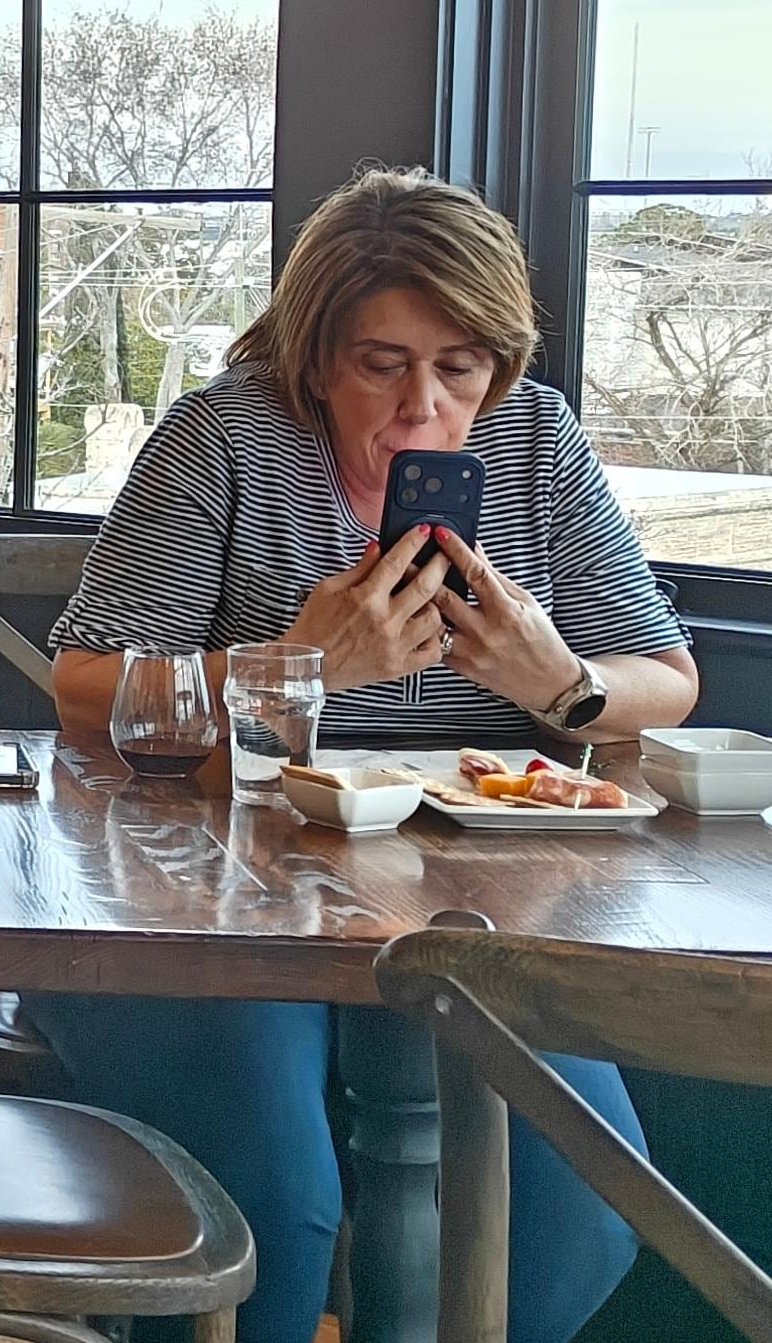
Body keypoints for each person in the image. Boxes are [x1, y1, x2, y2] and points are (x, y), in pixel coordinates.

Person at [37, 167, 697, 1343]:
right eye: (380, 363)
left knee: (579, 1210)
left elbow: (663, 674)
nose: (421, 408)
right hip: (220, 888)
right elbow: (86, 680)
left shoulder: (537, 441)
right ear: (312, 349)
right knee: (269, 1216)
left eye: (458, 367)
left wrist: (562, 684)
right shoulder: (226, 436)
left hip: (475, 899)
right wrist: (295, 664)